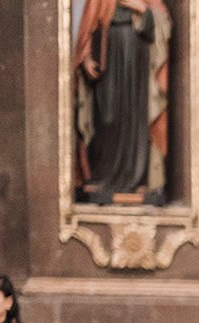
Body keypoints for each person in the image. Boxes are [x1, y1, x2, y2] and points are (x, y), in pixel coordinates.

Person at [73, 0, 172, 204]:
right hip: (108, 59)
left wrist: (141, 8)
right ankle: (101, 176)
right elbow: (89, 25)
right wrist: (84, 57)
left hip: (138, 58)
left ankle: (137, 178)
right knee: (106, 117)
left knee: (135, 117)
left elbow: (162, 20)